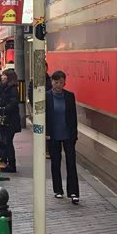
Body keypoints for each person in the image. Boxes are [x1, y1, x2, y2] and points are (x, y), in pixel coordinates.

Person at [46, 71, 79, 203]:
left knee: (71, 163)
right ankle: (58, 190)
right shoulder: (46, 96)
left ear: (64, 82)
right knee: (55, 162)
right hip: (53, 135)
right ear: (52, 82)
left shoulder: (70, 96)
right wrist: (46, 134)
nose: (58, 85)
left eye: (60, 82)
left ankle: (73, 192)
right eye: (55, 82)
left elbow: (73, 117)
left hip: (68, 135)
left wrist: (74, 134)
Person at [0, 69, 21, 173]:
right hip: (8, 119)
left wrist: (3, 109)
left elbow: (13, 103)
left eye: (4, 75)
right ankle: (5, 162)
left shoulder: (12, 89)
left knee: (8, 142)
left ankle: (11, 164)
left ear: (9, 77)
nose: (2, 77)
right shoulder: (5, 87)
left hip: (10, 120)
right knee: (6, 141)